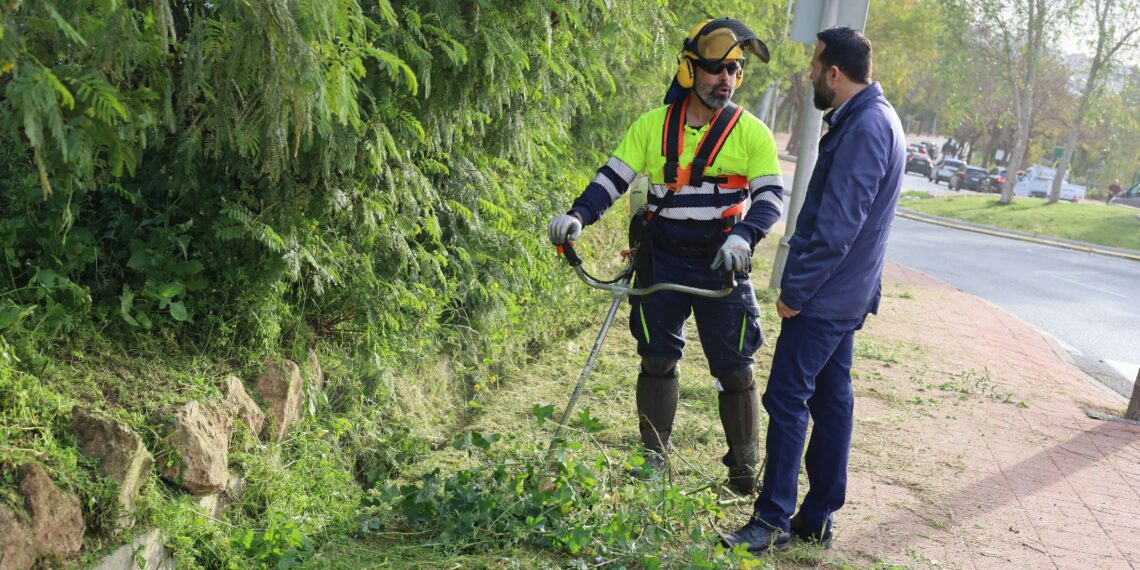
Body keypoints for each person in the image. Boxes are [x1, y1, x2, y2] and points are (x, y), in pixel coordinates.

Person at [547, 18, 785, 494]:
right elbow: (611, 179)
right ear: (689, 70)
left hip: (723, 260)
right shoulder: (652, 127)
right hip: (663, 258)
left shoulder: (751, 133)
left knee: (736, 368)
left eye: (735, 70)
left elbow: (771, 197)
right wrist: (577, 216)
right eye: (717, 68)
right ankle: (653, 460)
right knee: (656, 360)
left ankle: (743, 471)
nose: (727, 80)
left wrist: (744, 238)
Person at [723, 26, 905, 553]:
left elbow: (838, 227)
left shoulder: (867, 126)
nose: (809, 75)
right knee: (831, 399)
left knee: (786, 397)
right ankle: (818, 516)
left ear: (834, 72)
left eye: (814, 65)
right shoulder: (875, 116)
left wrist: (796, 291)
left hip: (827, 296)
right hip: (845, 294)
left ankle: (773, 519)